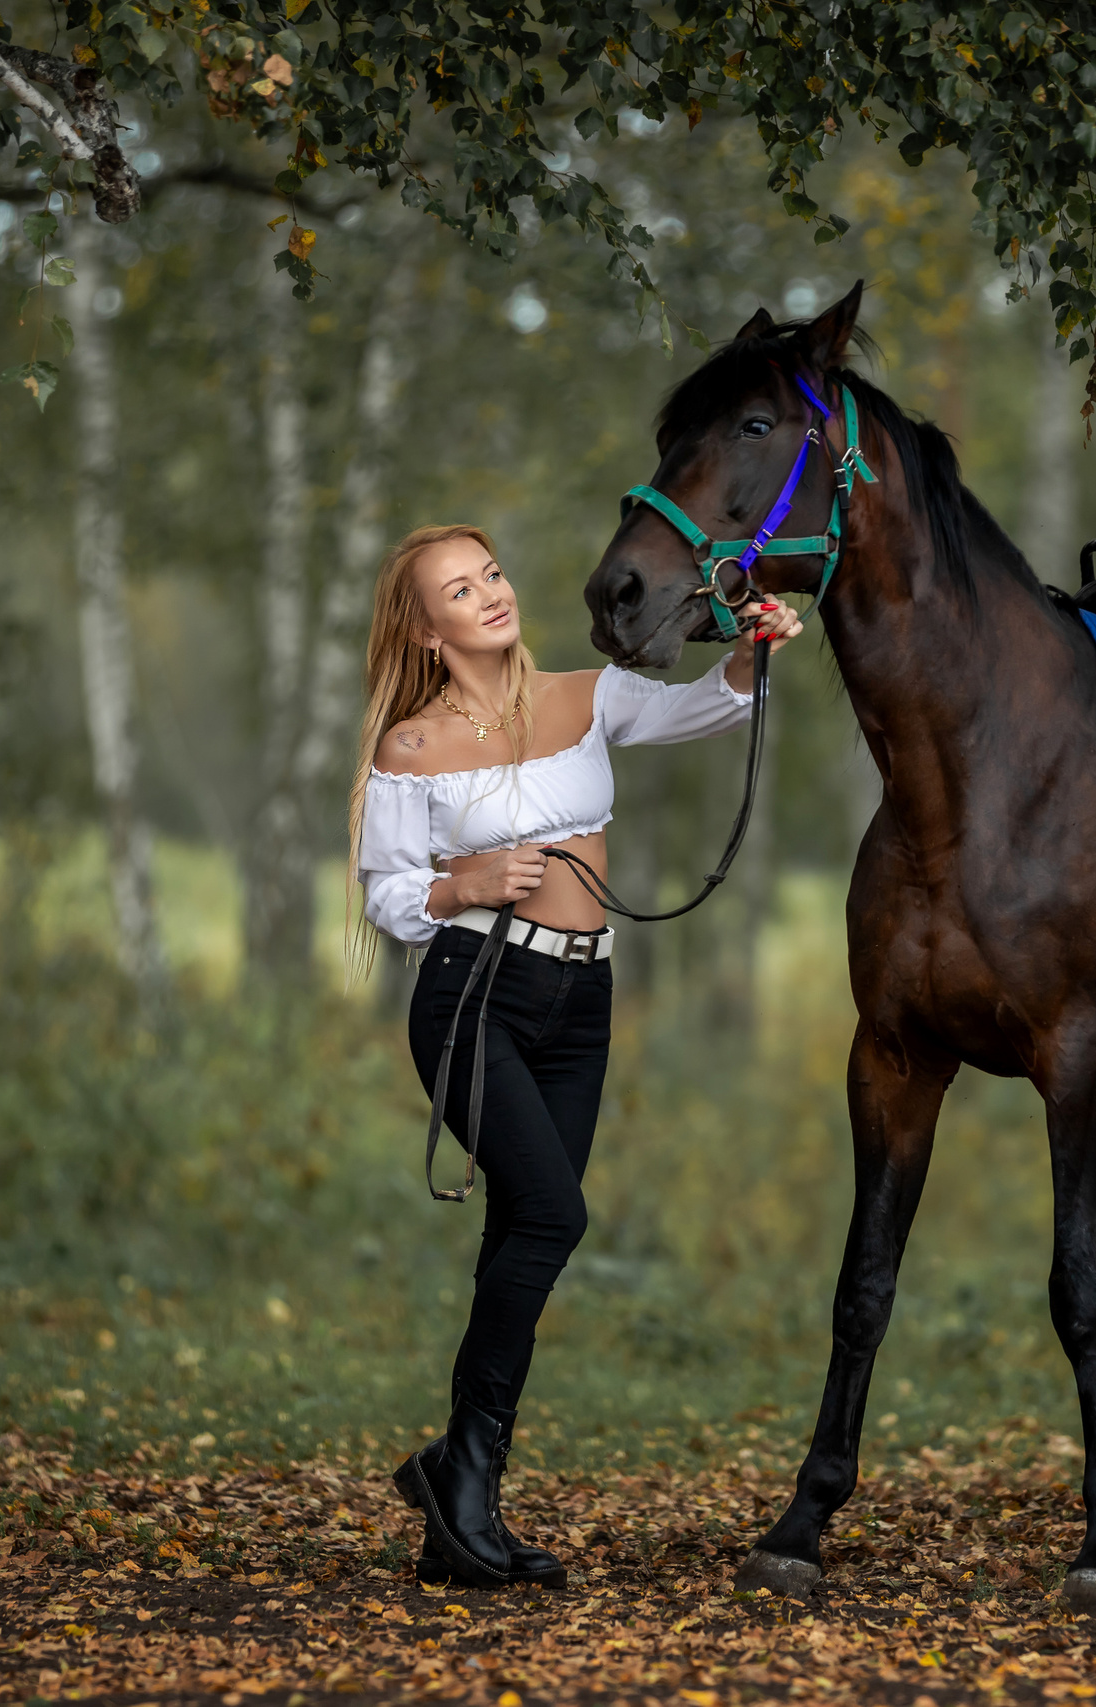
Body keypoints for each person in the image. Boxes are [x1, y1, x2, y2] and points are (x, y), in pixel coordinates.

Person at [347, 523, 801, 1589]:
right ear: (425, 628)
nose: (491, 595)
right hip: (474, 999)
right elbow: (384, 892)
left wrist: (751, 649)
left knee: (525, 1230)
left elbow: (710, 705)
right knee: (552, 1214)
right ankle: (463, 1478)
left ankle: (462, 1491)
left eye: (493, 573)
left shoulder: (587, 697)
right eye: (461, 590)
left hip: (580, 998)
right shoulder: (409, 745)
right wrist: (462, 885)